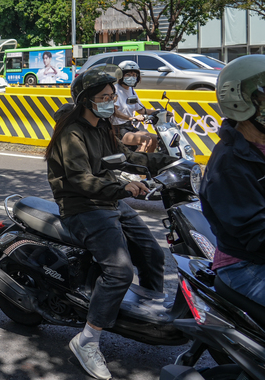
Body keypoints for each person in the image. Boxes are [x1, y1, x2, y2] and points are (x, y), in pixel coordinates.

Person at [46, 63, 176, 380]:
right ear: (88, 100)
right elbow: (81, 181)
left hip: (108, 198)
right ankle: (87, 341)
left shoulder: (102, 128)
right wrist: (123, 187)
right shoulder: (72, 134)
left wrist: (168, 163)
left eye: (112, 95)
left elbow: (123, 157)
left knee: (152, 253)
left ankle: (147, 311)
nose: (112, 101)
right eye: (105, 96)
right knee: (119, 271)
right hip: (83, 205)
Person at [200, 54, 265, 307]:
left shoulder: (258, 146)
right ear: (240, 102)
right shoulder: (229, 164)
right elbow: (257, 234)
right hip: (245, 265)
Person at [111, 60, 157, 152]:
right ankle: (136, 164)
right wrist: (131, 118)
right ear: (120, 76)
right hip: (117, 129)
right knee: (145, 141)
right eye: (128, 75)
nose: (132, 77)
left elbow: (141, 110)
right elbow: (114, 111)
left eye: (134, 75)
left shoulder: (131, 90)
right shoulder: (115, 90)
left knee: (154, 139)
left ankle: (148, 163)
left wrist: (159, 112)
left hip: (129, 127)